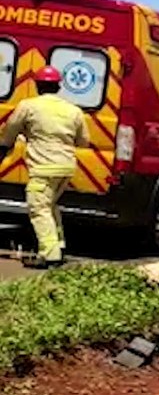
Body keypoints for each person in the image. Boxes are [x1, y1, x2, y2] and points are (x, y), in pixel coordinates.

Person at [0, 65, 90, 269]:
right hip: (66, 167)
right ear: (58, 86)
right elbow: (83, 141)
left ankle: (50, 255)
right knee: (49, 206)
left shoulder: (28, 106)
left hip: (43, 168)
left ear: (38, 85)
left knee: (38, 208)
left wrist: (8, 146)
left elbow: (9, 132)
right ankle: (59, 244)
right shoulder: (73, 110)